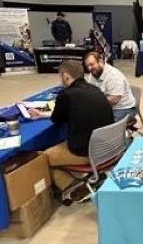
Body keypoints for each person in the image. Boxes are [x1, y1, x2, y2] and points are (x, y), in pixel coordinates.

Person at [32, 60, 115, 191]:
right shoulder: (95, 89)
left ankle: (73, 188)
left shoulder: (66, 95)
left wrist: (45, 114)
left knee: (44, 157)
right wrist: (42, 115)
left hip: (88, 152)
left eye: (60, 76)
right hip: (108, 146)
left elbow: (57, 119)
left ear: (65, 76)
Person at [83, 51, 136, 123]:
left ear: (100, 62)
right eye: (87, 66)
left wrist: (94, 103)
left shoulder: (113, 76)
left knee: (101, 125)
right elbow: (89, 92)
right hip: (107, 107)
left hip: (123, 109)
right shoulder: (93, 74)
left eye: (92, 64)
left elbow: (114, 100)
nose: (89, 68)